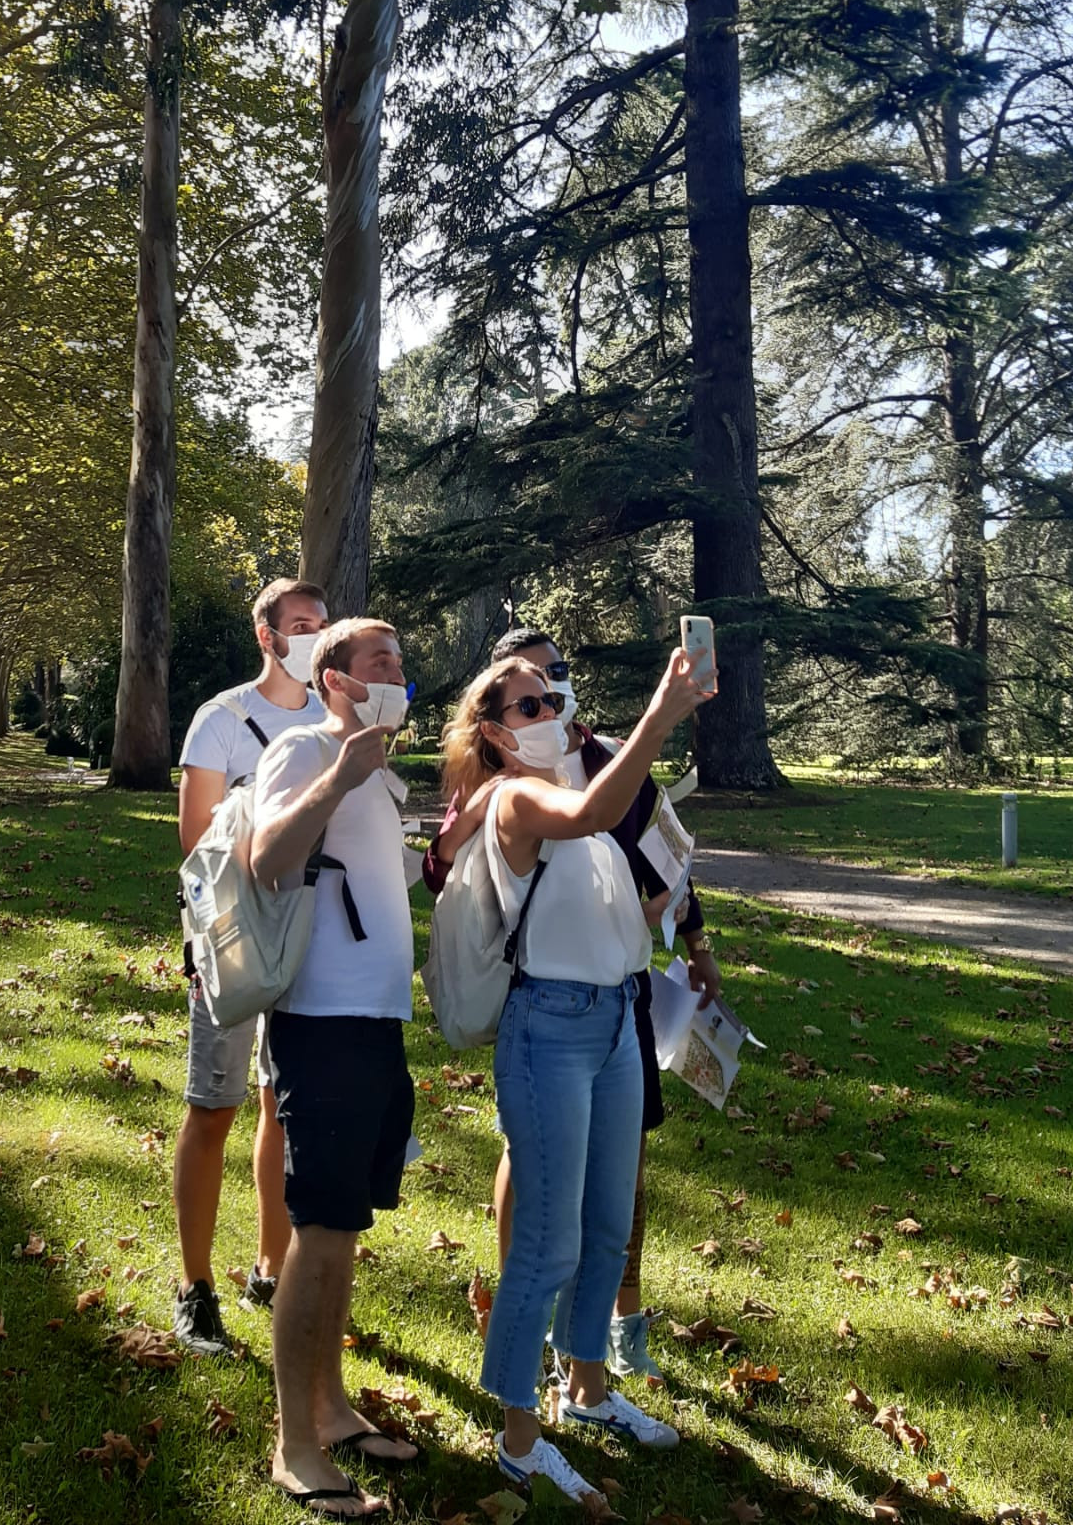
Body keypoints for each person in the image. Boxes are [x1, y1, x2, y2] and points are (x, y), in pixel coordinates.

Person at [437, 649, 705, 1507]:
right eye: (526, 706)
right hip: (547, 1028)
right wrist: (660, 718)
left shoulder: (584, 782)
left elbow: (627, 869)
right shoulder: (521, 797)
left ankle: (587, 1389)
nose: (549, 709)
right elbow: (590, 813)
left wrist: (665, 918)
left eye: (551, 696)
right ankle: (520, 1439)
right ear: (494, 734)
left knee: (606, 1226)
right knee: (547, 1245)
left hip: (617, 1021)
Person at [245, 618, 421, 1520]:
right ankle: (294, 1446)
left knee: (344, 1227)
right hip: (321, 1024)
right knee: (315, 1235)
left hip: (378, 1023)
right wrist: (339, 772)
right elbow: (266, 858)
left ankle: (332, 1405)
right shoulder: (306, 746)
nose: (398, 672)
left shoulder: (377, 766)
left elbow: (365, 879)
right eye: (380, 662)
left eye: (400, 659)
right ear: (334, 679)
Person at [172, 577, 330, 1355]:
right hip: (233, 935)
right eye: (300, 625)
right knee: (216, 1104)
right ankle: (194, 1287)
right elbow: (194, 841)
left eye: (322, 624)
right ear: (266, 636)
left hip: (308, 935)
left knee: (281, 1105)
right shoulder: (223, 719)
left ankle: (271, 1268)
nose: (313, 636)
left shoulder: (339, 721)